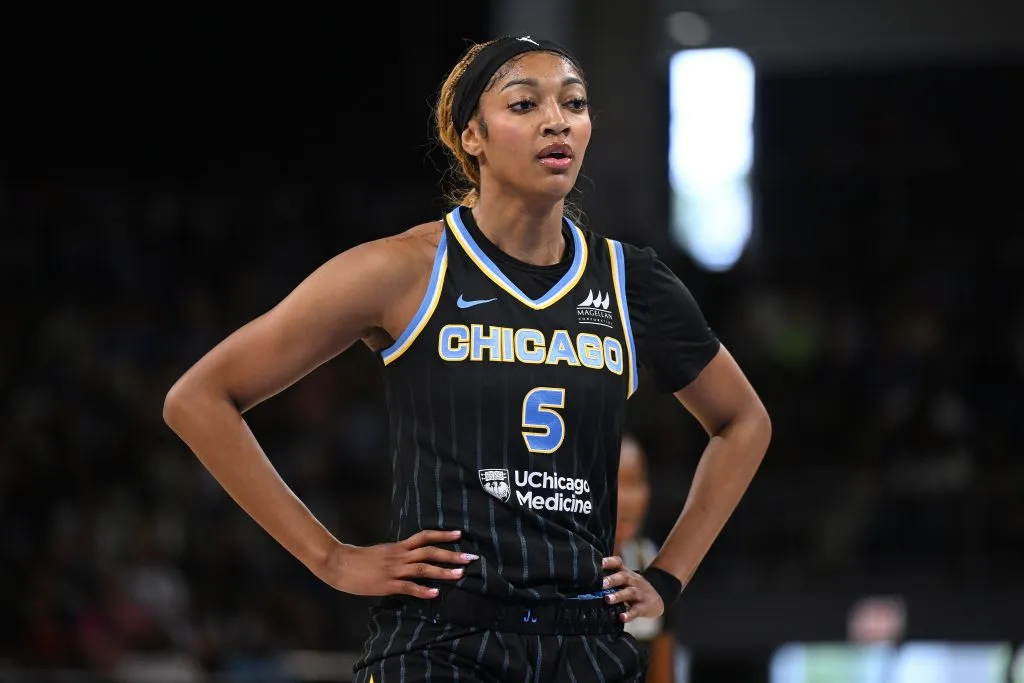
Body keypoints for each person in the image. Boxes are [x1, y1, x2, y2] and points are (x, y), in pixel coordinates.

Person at [162, 35, 772, 683]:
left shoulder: (632, 280)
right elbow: (198, 399)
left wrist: (668, 577)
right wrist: (330, 557)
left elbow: (743, 422)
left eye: (573, 103)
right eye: (524, 104)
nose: (557, 121)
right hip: (442, 639)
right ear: (471, 136)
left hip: (588, 643)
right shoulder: (402, 270)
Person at [616, 433, 679, 683]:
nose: (627, 500)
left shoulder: (651, 560)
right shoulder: (566, 562)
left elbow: (663, 673)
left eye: (634, 482)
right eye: (615, 483)